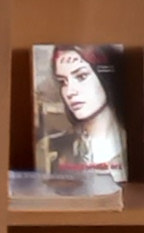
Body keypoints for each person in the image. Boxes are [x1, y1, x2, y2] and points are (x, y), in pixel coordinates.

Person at [40, 46, 127, 179]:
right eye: (63, 82)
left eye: (81, 76)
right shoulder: (50, 148)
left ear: (106, 77)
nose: (70, 92)